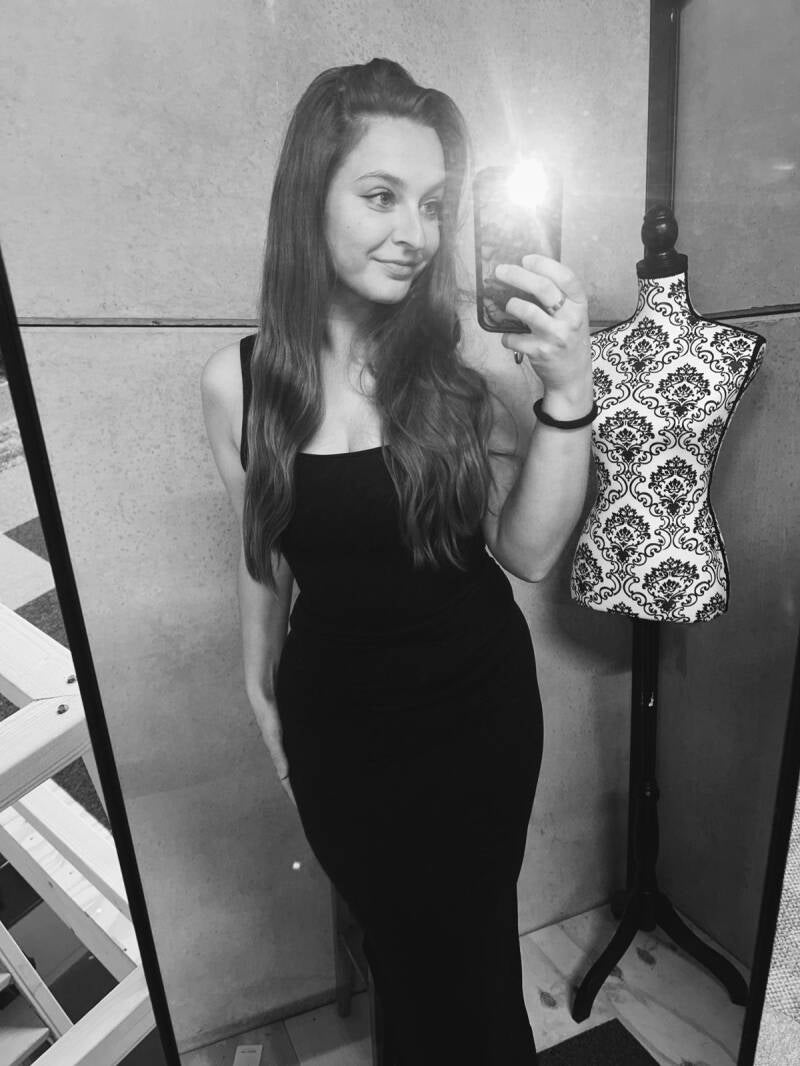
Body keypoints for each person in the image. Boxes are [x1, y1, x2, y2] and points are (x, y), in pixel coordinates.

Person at [201, 57, 593, 1066]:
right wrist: (256, 688)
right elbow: (262, 555)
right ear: (310, 199)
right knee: (402, 951)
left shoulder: (458, 363)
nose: (414, 233)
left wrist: (568, 394)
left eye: (432, 204)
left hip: (476, 717)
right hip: (338, 727)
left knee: (472, 954)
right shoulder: (237, 384)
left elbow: (527, 551)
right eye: (380, 196)